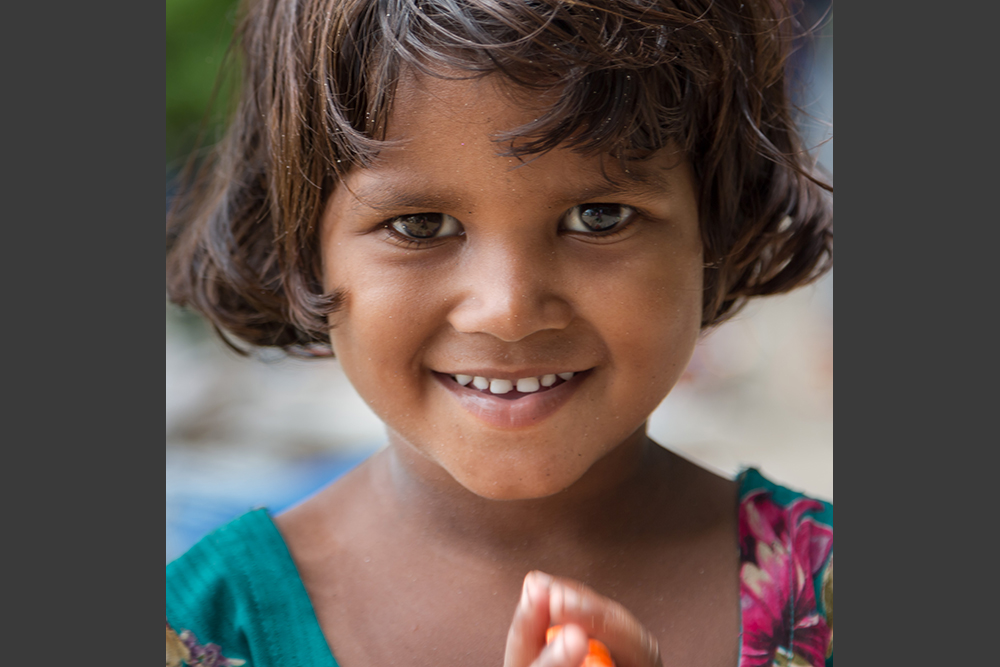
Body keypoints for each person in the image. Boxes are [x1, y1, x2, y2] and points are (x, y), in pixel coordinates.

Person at [165, 0, 833, 665]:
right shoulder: (201, 630)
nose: (508, 309)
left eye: (598, 216)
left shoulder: (826, 595)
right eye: (421, 225)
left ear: (716, 230)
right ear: (304, 243)